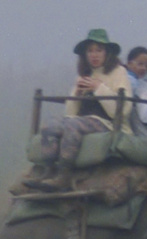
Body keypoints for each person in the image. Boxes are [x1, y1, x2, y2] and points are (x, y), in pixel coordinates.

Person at [27, 28, 135, 190]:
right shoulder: (84, 75)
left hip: (107, 123)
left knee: (73, 126)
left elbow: (122, 111)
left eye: (99, 50)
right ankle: (48, 171)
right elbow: (70, 114)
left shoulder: (119, 73)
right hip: (82, 121)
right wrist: (77, 92)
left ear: (108, 53)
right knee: (50, 124)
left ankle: (64, 175)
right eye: (90, 51)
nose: (94, 55)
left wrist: (99, 87)